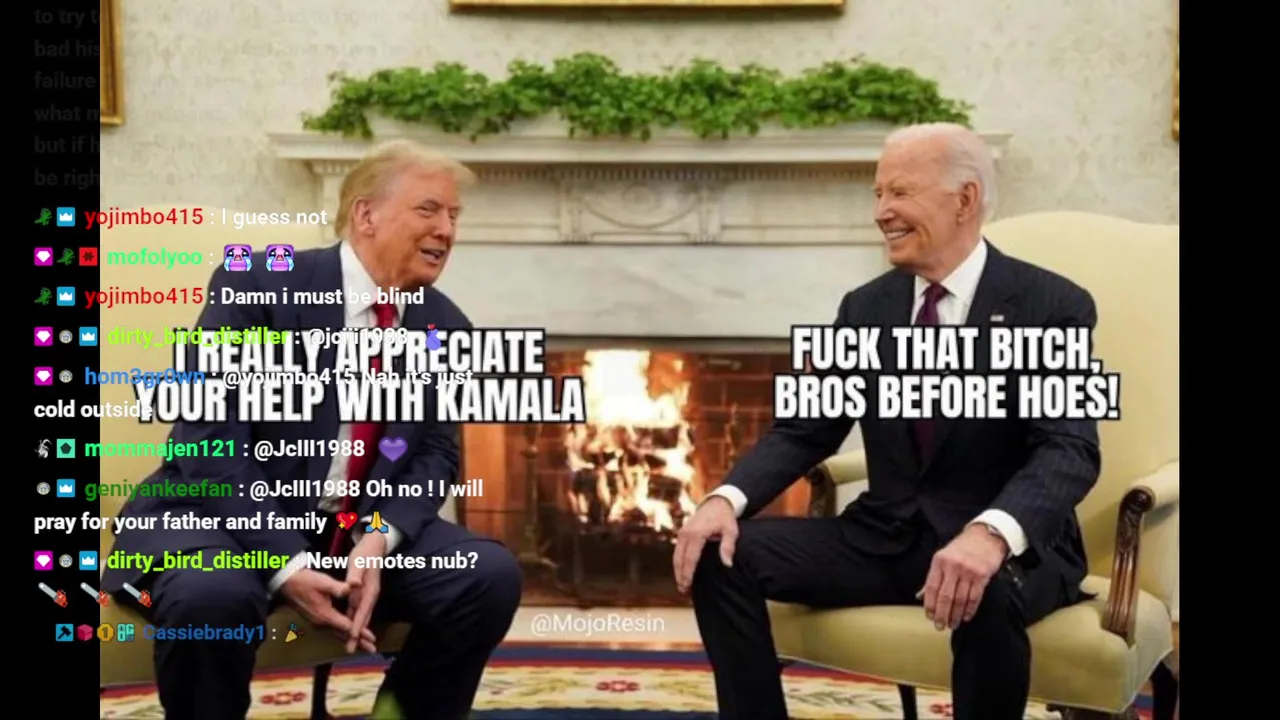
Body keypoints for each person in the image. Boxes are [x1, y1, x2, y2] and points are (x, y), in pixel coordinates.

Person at [672, 123, 1100, 720]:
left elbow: (1068, 448)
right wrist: (725, 500)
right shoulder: (865, 308)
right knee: (720, 556)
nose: (881, 212)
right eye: (877, 194)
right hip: (885, 538)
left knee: (985, 588)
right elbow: (807, 427)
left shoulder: (1052, 306)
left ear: (965, 199)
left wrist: (990, 534)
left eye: (900, 192)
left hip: (1007, 548)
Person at [104, 141, 522, 720]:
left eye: (454, 215)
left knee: (485, 576)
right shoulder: (256, 287)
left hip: (349, 532)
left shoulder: (445, 326)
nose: (447, 230)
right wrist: (287, 563)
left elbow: (435, 454)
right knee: (211, 596)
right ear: (366, 214)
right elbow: (207, 438)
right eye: (428, 209)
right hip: (219, 519)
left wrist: (381, 537)